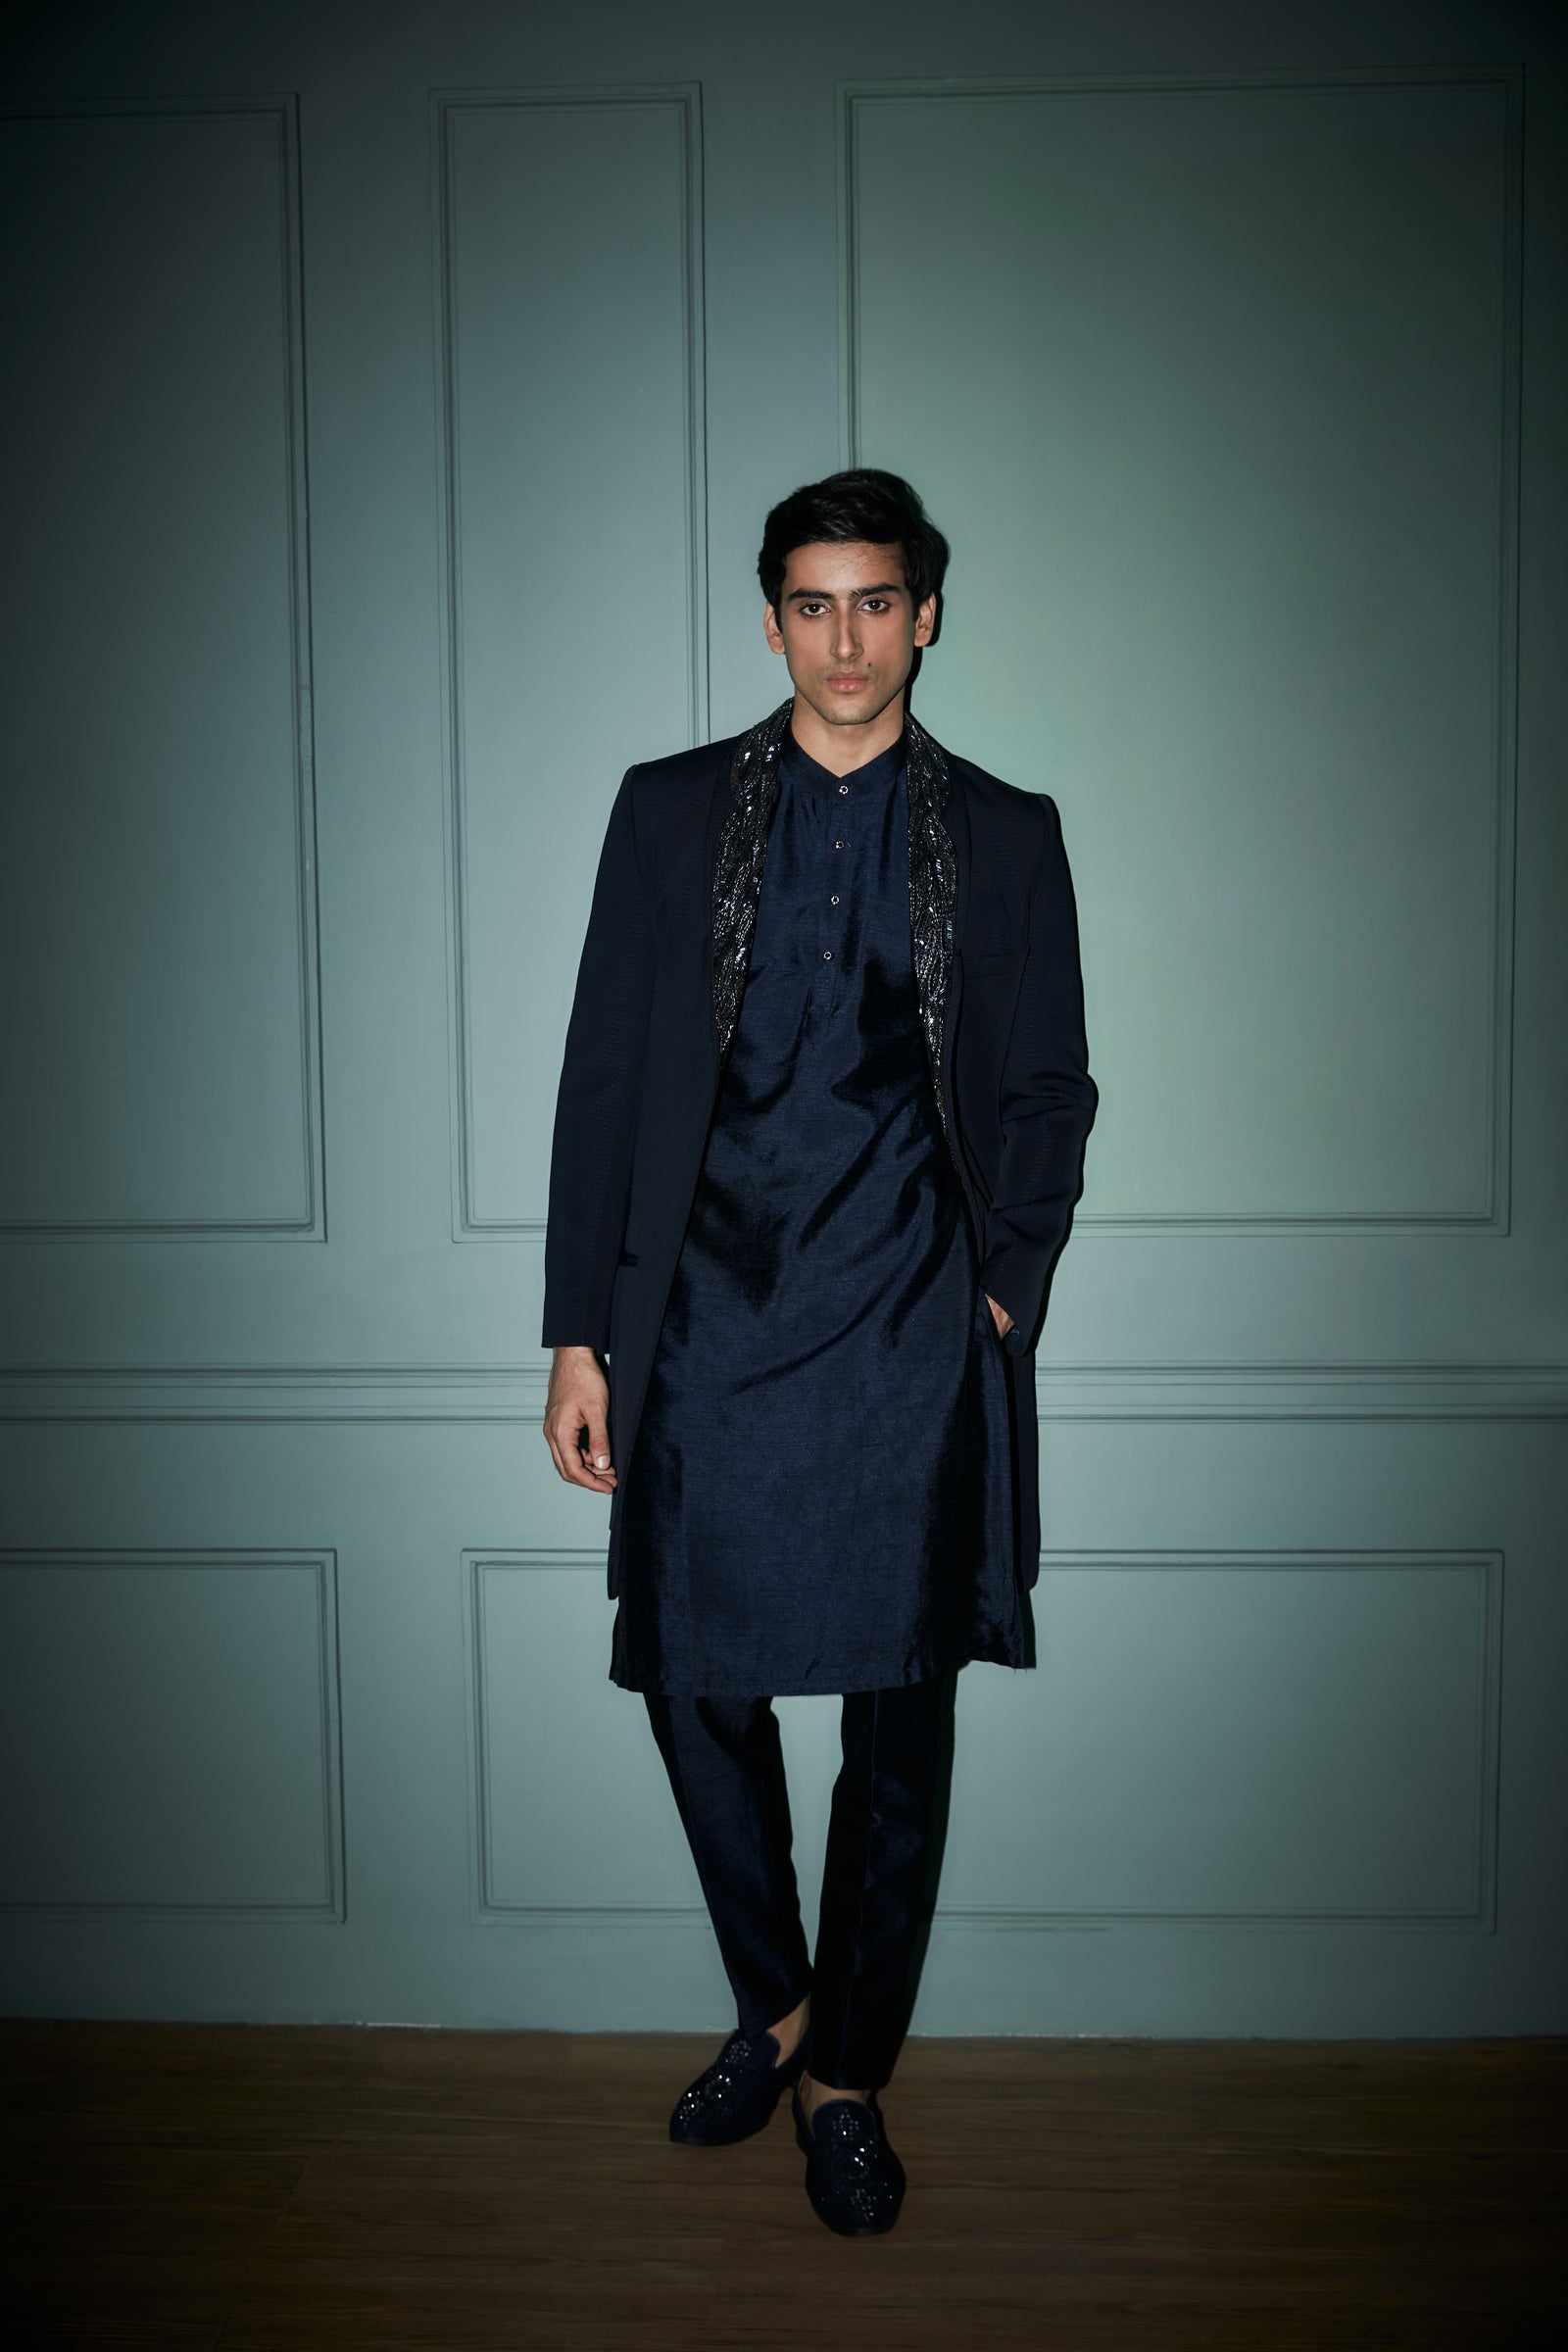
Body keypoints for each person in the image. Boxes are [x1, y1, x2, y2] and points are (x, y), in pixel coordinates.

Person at [541, 468, 1097, 2235]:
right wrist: (578, 1335)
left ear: (925, 614)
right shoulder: (668, 812)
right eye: (810, 604)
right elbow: (601, 1085)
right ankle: (778, 2002)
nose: (844, 641)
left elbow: (1050, 1089)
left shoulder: (1006, 834)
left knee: (898, 1720)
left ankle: (844, 2078)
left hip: (909, 1328)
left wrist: (1001, 1289)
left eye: (874, 603)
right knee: (691, 1679)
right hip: (702, 1322)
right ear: (771, 619)